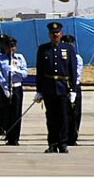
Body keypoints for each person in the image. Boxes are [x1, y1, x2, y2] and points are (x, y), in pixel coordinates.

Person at [36, 22, 76, 153]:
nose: (55, 35)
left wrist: (73, 89)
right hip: (49, 88)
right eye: (53, 34)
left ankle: (63, 144)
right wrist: (39, 90)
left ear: (61, 34)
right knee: (51, 118)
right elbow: (40, 71)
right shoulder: (43, 49)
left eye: (57, 33)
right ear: (49, 35)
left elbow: (73, 70)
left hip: (63, 88)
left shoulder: (68, 48)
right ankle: (52, 144)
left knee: (64, 118)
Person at [0, 35, 27, 146]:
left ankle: (15, 137)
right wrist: (4, 86)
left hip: (17, 87)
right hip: (5, 87)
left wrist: (16, 71)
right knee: (6, 112)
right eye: (9, 47)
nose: (11, 49)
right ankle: (8, 134)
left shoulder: (19, 58)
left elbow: (25, 73)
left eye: (13, 47)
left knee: (16, 112)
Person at [61, 34, 83, 146]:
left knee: (75, 113)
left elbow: (76, 74)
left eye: (70, 44)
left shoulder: (77, 57)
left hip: (74, 87)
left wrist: (73, 89)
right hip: (63, 87)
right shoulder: (59, 57)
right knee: (64, 113)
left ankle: (73, 137)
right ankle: (64, 136)